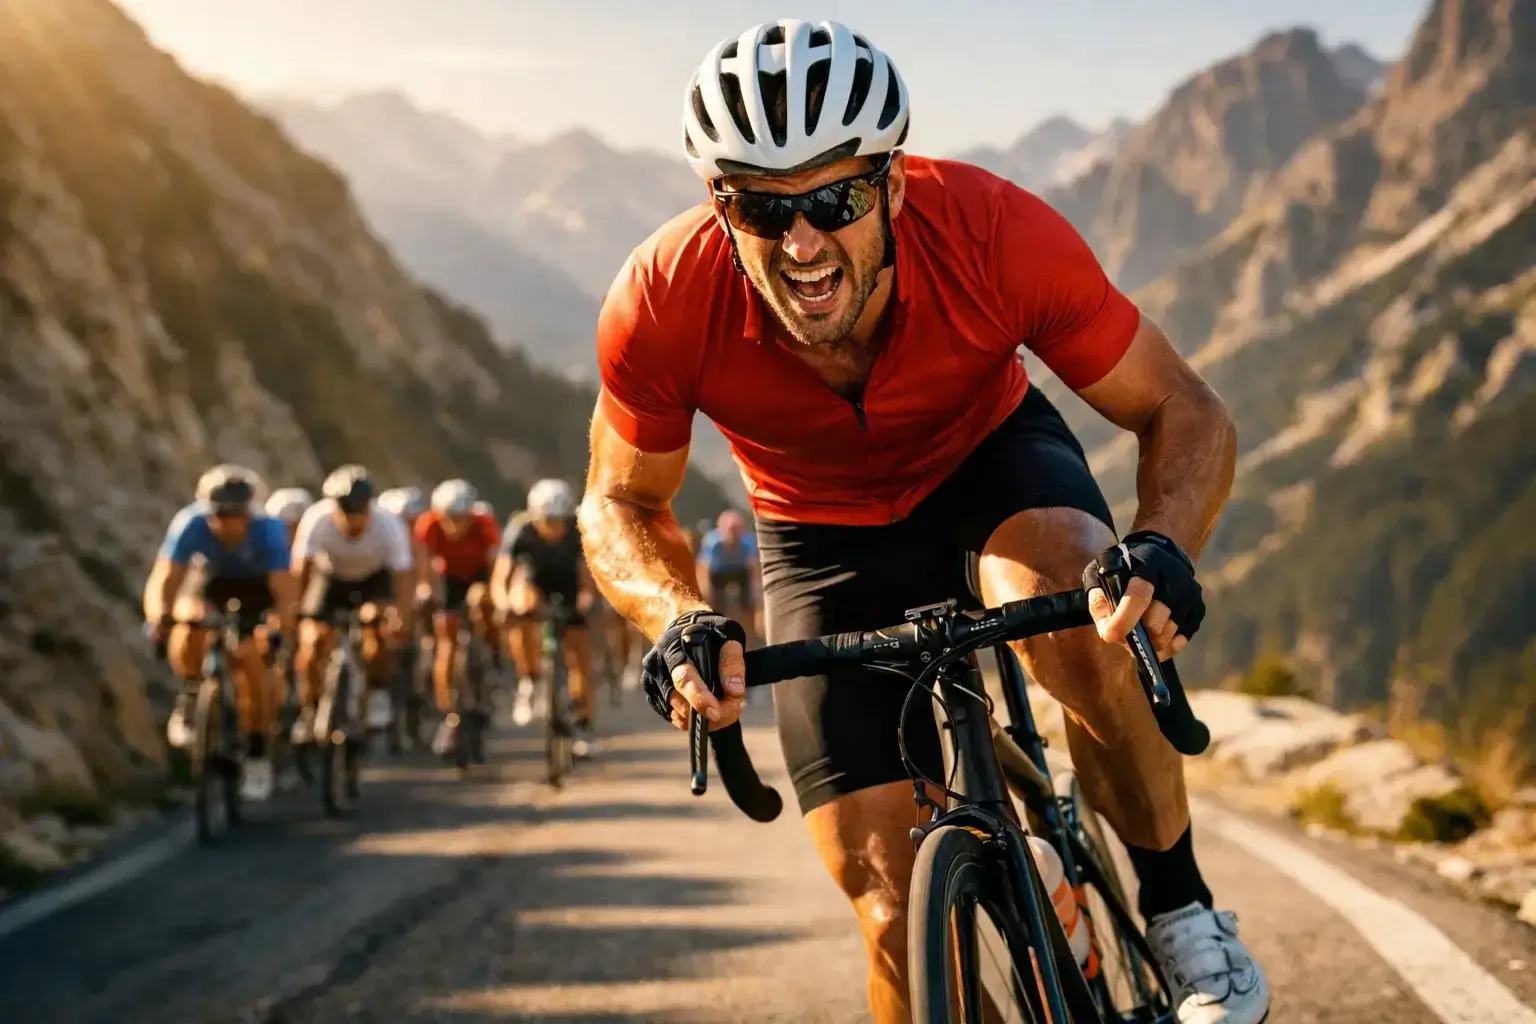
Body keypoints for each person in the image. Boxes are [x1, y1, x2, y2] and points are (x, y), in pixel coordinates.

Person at [578, 19, 1267, 1024]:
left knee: (1077, 626)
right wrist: (676, 616)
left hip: (987, 461)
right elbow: (621, 501)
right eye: (762, 209)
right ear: (717, 205)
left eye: (836, 197)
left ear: (893, 184)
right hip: (816, 532)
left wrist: (1160, 545)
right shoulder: (661, 299)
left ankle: (1182, 911)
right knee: (892, 910)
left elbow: (1184, 406)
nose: (802, 242)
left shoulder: (995, 233)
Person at [142, 464, 296, 801]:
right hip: (210, 583)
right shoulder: (190, 524)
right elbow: (165, 578)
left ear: (248, 513)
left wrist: (279, 628)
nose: (225, 523)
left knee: (253, 662)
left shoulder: (268, 530)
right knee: (187, 621)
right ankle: (190, 694)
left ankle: (257, 753)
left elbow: (284, 591)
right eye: (218, 514)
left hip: (256, 588)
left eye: (234, 515)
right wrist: (159, 619)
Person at [291, 465, 414, 739]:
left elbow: (404, 578)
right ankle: (309, 710)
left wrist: (399, 616)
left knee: (377, 632)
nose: (353, 519)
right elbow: (301, 570)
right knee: (311, 644)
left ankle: (378, 690)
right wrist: (296, 612)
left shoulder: (389, 525)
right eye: (346, 511)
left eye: (360, 511)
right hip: (331, 578)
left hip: (374, 580)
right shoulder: (315, 520)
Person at [491, 478, 599, 755]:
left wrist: (587, 602)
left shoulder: (579, 532)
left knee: (580, 655)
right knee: (519, 604)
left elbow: (589, 577)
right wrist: (504, 603)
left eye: (557, 521)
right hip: (534, 584)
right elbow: (502, 576)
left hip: (569, 583)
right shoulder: (520, 530)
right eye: (545, 521)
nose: (551, 527)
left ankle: (583, 723)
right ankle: (529, 680)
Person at [414, 479, 501, 750]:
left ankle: (492, 652)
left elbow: (497, 565)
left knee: (483, 605)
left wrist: (489, 595)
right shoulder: (427, 525)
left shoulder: (485, 524)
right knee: (446, 644)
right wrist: (428, 591)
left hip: (478, 576)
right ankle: (448, 714)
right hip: (448, 579)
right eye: (450, 519)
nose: (456, 526)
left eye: (462, 519)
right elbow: (424, 563)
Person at [696, 509, 761, 647]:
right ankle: (716, 637)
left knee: (748, 605)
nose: (733, 535)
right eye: (730, 530)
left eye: (737, 530)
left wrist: (754, 591)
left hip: (741, 571)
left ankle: (750, 640)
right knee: (715, 606)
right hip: (718, 573)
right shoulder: (712, 542)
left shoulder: (748, 541)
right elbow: (704, 567)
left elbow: (753, 567)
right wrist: (707, 591)